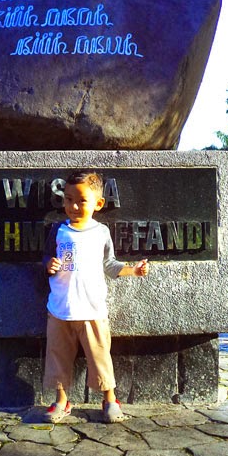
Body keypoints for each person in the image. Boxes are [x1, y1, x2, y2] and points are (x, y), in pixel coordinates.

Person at [43, 169, 149, 423]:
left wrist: (133, 270)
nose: (74, 206)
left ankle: (110, 398)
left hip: (92, 309)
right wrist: (48, 264)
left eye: (81, 200)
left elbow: (110, 265)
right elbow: (46, 258)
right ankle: (61, 401)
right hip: (60, 307)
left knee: (100, 356)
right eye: (68, 199)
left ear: (98, 204)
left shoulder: (101, 232)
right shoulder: (58, 231)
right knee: (58, 357)